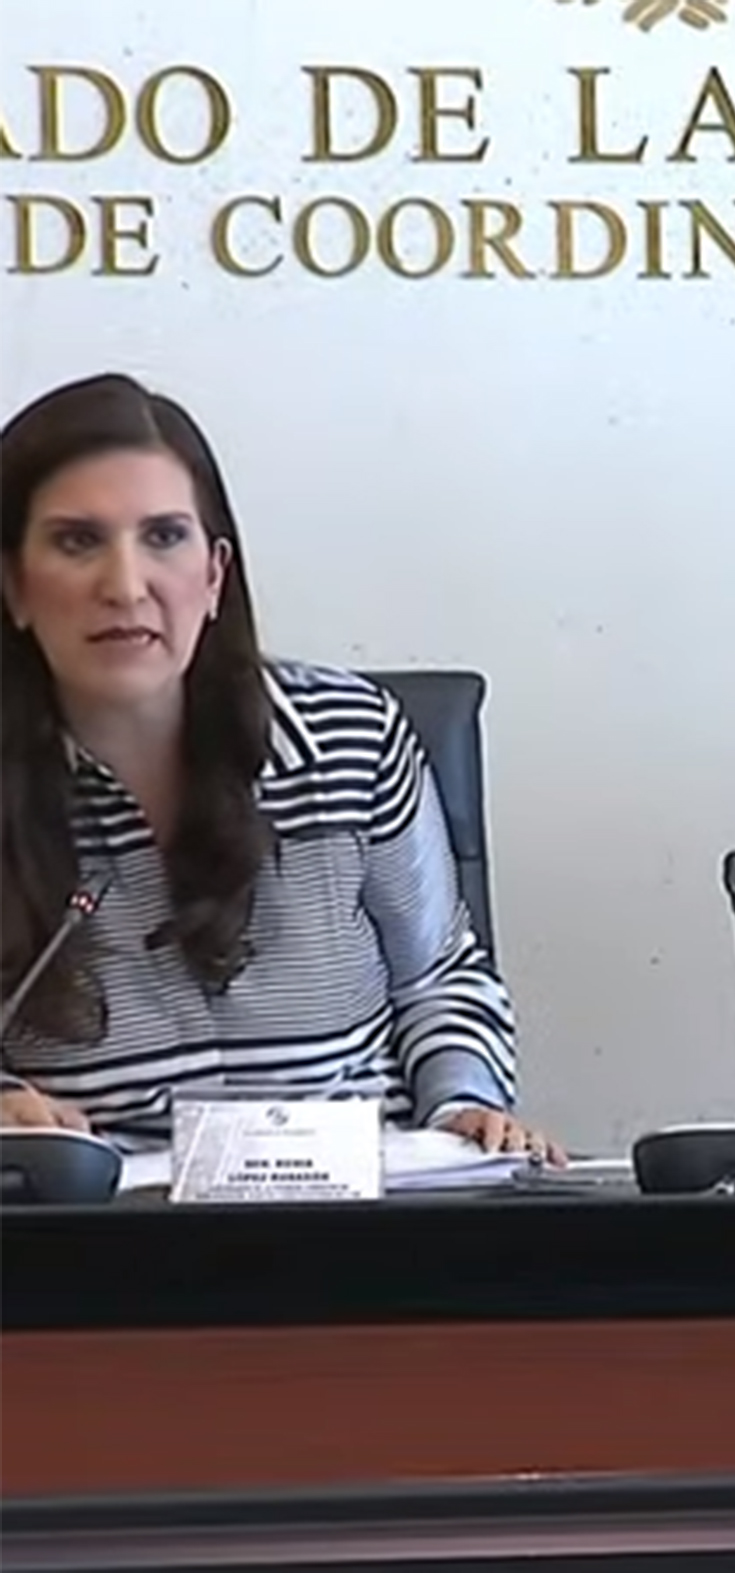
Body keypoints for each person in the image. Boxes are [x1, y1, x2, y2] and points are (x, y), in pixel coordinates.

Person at [0, 372, 564, 1161]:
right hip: (106, 1221)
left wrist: (463, 1105)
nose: (124, 586)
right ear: (15, 586)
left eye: (164, 536)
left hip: (362, 1206)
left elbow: (437, 977)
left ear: (214, 576)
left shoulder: (350, 736)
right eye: (77, 541)